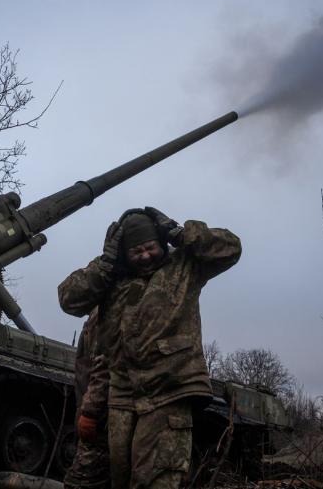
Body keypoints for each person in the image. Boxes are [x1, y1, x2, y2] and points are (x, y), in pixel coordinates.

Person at [58, 207, 241, 489]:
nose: (145, 256)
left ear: (161, 243)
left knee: (156, 479)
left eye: (150, 247)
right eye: (136, 251)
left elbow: (231, 248)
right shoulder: (112, 279)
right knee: (120, 479)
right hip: (121, 397)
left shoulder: (184, 267)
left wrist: (180, 234)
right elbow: (70, 299)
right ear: (123, 254)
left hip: (170, 390)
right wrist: (106, 263)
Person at [64, 308, 111, 489]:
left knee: (79, 482)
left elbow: (103, 367)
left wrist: (90, 413)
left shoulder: (105, 312)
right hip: (92, 412)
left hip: (99, 421)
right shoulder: (98, 313)